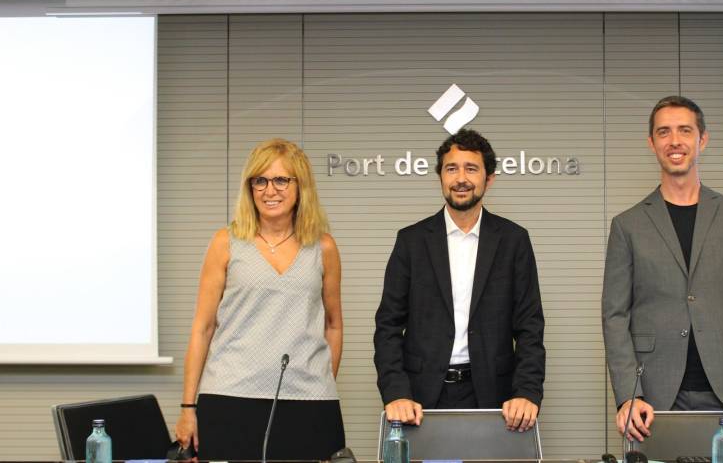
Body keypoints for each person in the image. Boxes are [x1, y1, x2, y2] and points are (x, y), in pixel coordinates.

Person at [601, 96, 723, 445]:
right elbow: (614, 316)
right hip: (653, 397)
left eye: (685, 130)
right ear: (652, 143)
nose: (674, 141)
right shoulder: (627, 225)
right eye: (663, 132)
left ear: (702, 139)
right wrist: (628, 395)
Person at [174, 138, 344, 460]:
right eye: (260, 180)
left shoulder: (324, 247)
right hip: (229, 397)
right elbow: (202, 329)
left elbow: (333, 326)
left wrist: (319, 380)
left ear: (301, 186)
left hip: (308, 403)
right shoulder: (226, 242)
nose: (270, 190)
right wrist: (188, 406)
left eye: (281, 179)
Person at [374, 128, 545, 432]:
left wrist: (526, 392)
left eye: (471, 168)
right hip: (421, 398)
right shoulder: (411, 242)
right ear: (440, 176)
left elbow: (530, 326)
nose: (461, 178)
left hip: (494, 396)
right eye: (451, 168)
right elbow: (388, 325)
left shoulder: (514, 240)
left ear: (488, 178)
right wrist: (396, 392)